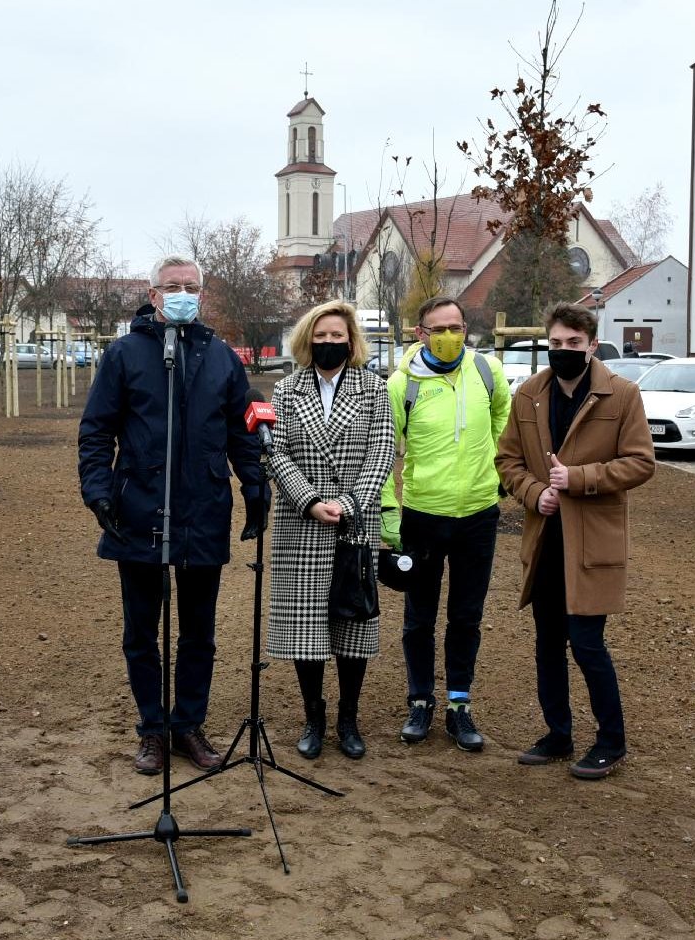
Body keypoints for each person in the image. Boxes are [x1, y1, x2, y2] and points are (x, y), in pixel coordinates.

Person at [77, 254, 271, 777]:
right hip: (138, 509)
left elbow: (241, 434)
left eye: (190, 286)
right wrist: (98, 490)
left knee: (198, 633)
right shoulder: (124, 356)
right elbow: (97, 431)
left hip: (204, 509)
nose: (181, 292)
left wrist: (255, 489)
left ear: (202, 294)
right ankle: (151, 730)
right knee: (141, 631)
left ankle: (188, 724)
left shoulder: (223, 359)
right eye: (171, 286)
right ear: (153, 293)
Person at [495, 303, 655, 780]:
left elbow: (641, 463)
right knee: (548, 643)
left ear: (591, 345)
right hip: (545, 540)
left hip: (592, 542)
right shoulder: (527, 395)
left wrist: (577, 479)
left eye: (573, 344)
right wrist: (535, 492)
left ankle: (611, 741)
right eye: (556, 343)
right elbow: (507, 461)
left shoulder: (622, 395)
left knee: (586, 643)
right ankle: (558, 735)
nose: (563, 351)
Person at [265, 300, 396, 760]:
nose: (328, 343)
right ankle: (314, 715)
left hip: (353, 522)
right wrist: (310, 501)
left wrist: (348, 503)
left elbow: (382, 451)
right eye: (320, 336)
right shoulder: (285, 390)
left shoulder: (373, 390)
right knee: (307, 628)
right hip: (302, 523)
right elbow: (275, 452)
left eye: (336, 336)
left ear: (351, 340)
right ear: (307, 340)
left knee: (351, 622)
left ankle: (349, 717)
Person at [381, 296, 510, 751]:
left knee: (466, 615)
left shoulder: (487, 372)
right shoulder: (402, 385)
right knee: (419, 617)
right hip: (422, 515)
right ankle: (420, 700)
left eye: (457, 326)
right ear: (421, 334)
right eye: (440, 329)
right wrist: (388, 511)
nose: (451, 336)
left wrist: (496, 466)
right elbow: (383, 450)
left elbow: (503, 420)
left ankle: (459, 704)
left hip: (478, 513)